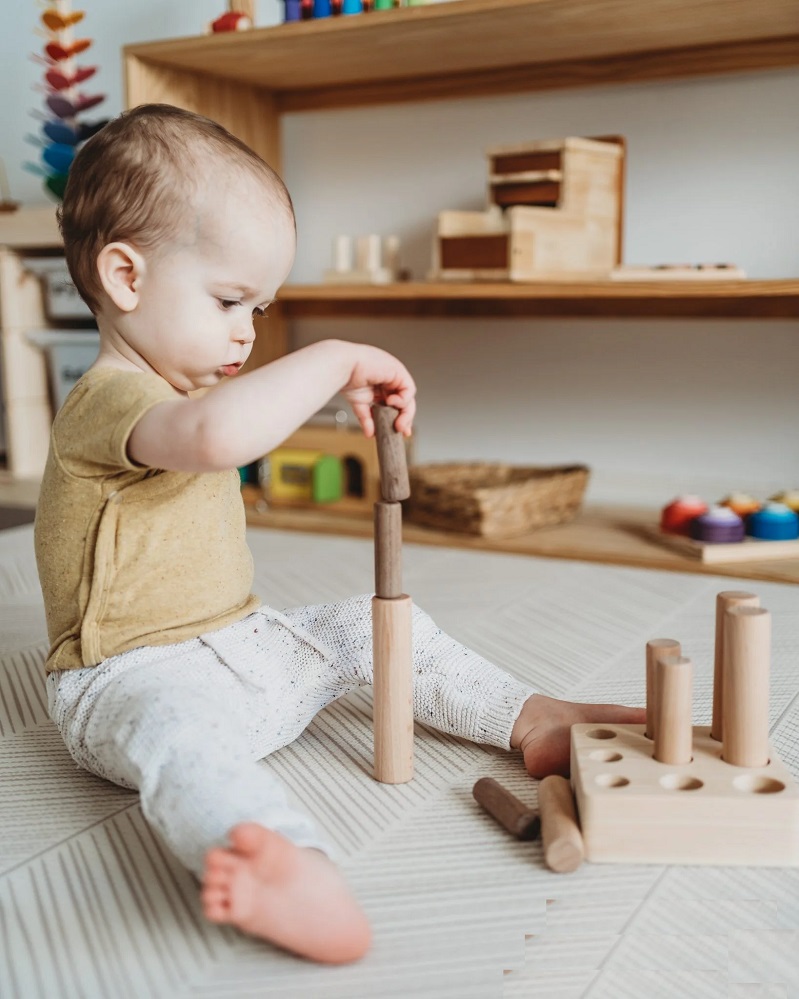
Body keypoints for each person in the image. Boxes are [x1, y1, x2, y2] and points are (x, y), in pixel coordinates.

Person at [34, 104, 645, 966]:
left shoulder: (181, 391)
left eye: (263, 304)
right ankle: (285, 860)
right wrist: (334, 357)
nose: (249, 329)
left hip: (240, 643)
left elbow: (230, 420)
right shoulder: (108, 399)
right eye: (228, 299)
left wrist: (323, 378)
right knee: (183, 744)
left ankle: (524, 715)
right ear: (125, 278)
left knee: (369, 622)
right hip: (125, 680)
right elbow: (217, 436)